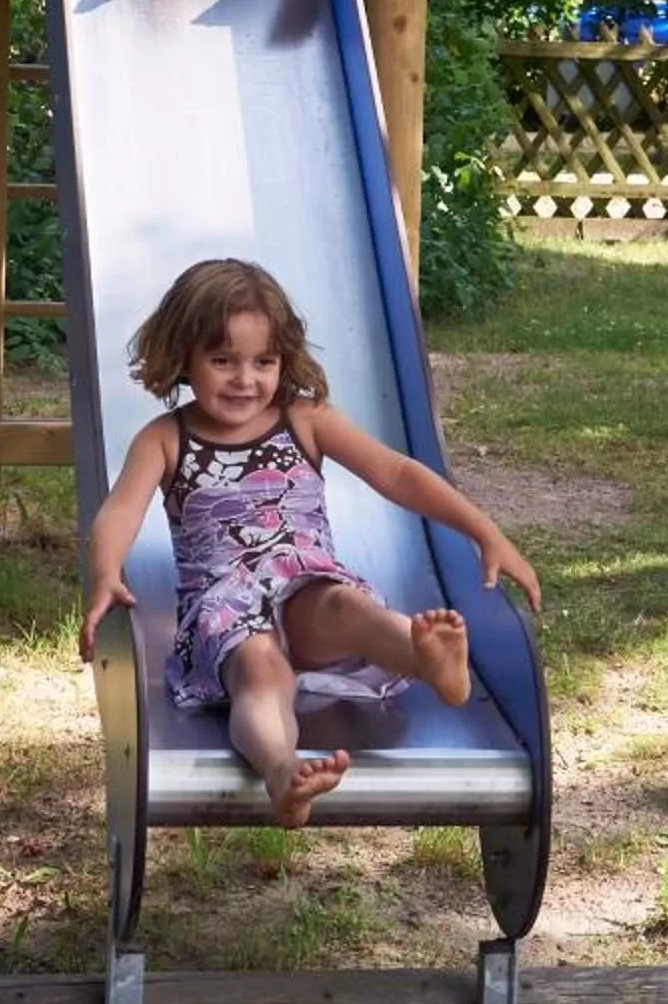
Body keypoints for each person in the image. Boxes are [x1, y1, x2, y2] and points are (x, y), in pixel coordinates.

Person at [79, 259, 542, 828]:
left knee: (347, 607)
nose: (244, 380)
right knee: (261, 670)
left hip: (305, 584)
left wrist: (483, 530)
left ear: (283, 360)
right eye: (222, 360)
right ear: (184, 357)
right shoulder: (165, 439)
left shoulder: (304, 419)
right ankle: (281, 772)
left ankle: (426, 656)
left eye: (263, 362)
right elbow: (119, 513)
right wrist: (104, 574)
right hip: (225, 613)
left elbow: (396, 473)